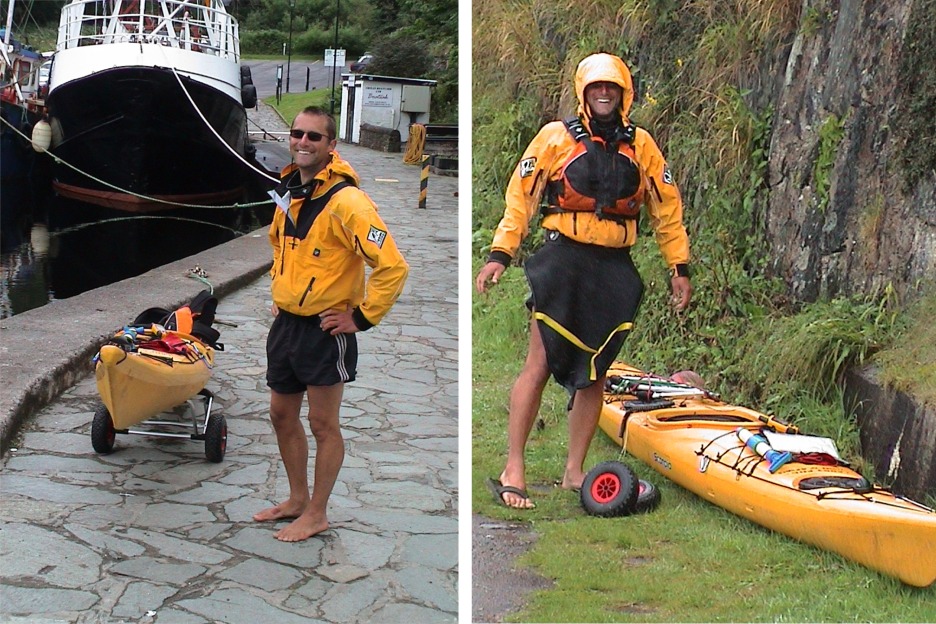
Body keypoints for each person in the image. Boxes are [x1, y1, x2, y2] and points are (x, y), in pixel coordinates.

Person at [476, 53, 692, 509]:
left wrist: (679, 267)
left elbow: (667, 210)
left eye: (612, 87)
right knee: (538, 362)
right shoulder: (555, 138)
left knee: (595, 374)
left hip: (613, 269)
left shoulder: (643, 146)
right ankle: (514, 466)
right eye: (596, 87)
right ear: (584, 92)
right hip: (562, 261)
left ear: (623, 94)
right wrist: (500, 253)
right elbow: (521, 198)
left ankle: (574, 471)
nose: (604, 94)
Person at [254, 106, 409, 540]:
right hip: (287, 325)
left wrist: (360, 317)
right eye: (297, 134)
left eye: (314, 138)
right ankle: (297, 499)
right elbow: (279, 247)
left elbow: (392, 266)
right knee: (281, 413)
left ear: (331, 146)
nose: (302, 142)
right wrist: (281, 292)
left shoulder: (348, 202)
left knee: (324, 424)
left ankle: (318, 513)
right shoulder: (289, 190)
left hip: (326, 331)